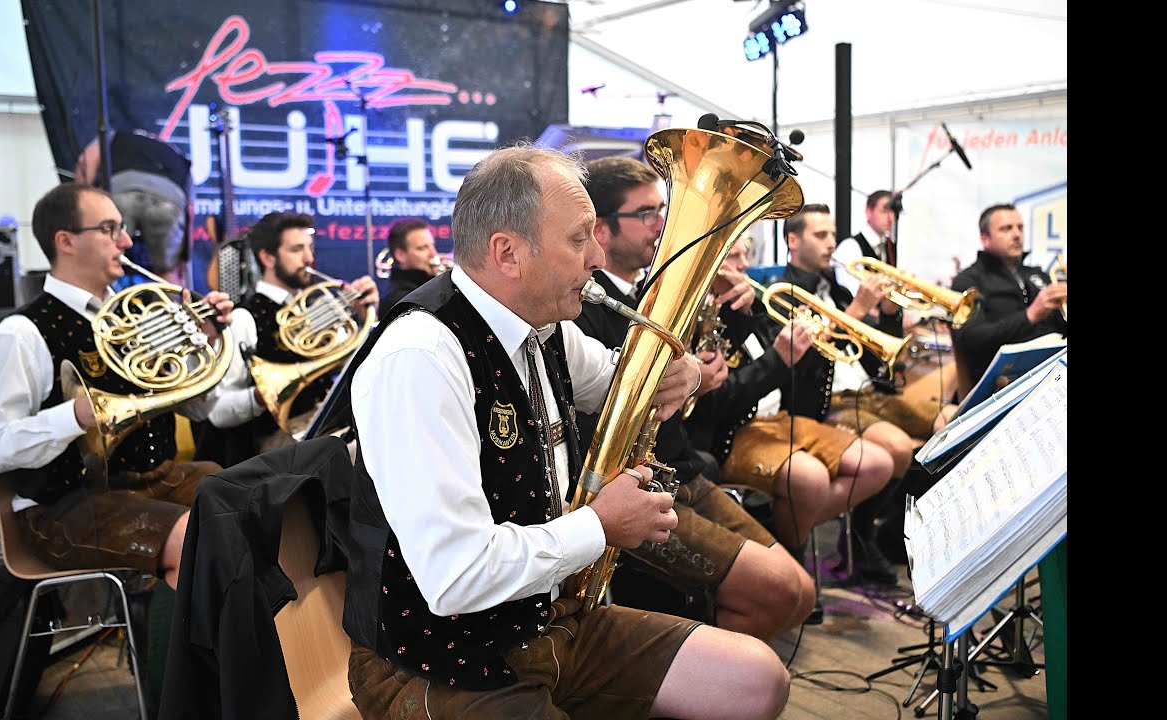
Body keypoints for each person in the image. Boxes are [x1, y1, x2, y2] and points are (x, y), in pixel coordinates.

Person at [338, 144, 790, 720]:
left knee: (757, 681)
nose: (597, 256)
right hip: (435, 659)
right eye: (579, 239)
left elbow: (620, 382)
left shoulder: (543, 324)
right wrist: (600, 525)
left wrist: (682, 375)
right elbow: (456, 576)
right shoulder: (421, 356)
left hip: (549, 621)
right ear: (508, 253)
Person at [576, 155, 813, 639]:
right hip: (633, 489)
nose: (661, 225)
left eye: (661, 210)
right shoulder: (584, 305)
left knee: (801, 591)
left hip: (680, 471)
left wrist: (740, 318)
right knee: (778, 592)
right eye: (646, 213)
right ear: (601, 229)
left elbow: (708, 393)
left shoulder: (651, 292)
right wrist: (688, 380)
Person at [0, 182, 242, 590]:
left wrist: (206, 341)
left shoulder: (136, 314)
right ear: (66, 241)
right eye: (109, 229)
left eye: (122, 228)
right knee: (196, 538)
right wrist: (73, 416)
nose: (126, 242)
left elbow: (199, 409)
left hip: (152, 481)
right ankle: (179, 632)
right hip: (63, 505)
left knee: (248, 505)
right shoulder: (22, 332)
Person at [772, 203, 954, 584]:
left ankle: (895, 529)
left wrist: (887, 311)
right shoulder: (784, 292)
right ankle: (861, 533)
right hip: (830, 403)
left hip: (869, 391)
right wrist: (855, 311)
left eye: (832, 234)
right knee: (899, 448)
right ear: (792, 241)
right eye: (820, 235)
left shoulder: (835, 290)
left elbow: (877, 356)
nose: (831, 243)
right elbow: (800, 367)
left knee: (952, 423)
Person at [690, 235, 895, 570]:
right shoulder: (703, 317)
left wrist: (806, 343)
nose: (744, 265)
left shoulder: (753, 306)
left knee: (876, 464)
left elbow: (791, 374)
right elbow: (719, 402)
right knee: (811, 480)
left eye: (746, 255)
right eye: (734, 256)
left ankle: (782, 536)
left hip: (782, 418)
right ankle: (791, 558)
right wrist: (781, 358)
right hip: (736, 432)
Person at [191, 211, 379, 469]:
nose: (309, 258)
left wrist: (365, 316)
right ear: (267, 257)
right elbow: (218, 413)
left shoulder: (313, 307)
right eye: (296, 249)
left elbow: (359, 367)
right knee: (371, 451)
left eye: (310, 248)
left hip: (321, 430)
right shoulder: (243, 319)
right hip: (274, 446)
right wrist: (261, 396)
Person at [950, 202, 1067, 388]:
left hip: (1054, 372)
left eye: (1020, 227)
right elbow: (973, 339)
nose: (1017, 234)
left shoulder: (1037, 274)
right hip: (1004, 384)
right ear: (985, 239)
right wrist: (1030, 315)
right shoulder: (968, 281)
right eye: (1006, 229)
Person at [75, 128, 194, 285]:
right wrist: (182, 259)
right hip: (169, 200)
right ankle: (170, 299)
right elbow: (190, 211)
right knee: (166, 273)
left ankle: (100, 299)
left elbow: (86, 162)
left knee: (106, 262)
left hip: (122, 192)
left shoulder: (116, 136)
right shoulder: (177, 155)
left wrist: (82, 201)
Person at [833, 189, 896, 295]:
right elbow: (851, 294)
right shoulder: (850, 247)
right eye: (884, 211)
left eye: (893, 211)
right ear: (868, 211)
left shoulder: (890, 246)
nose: (890, 218)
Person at [379, 218, 442, 315]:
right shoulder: (400, 301)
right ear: (400, 255)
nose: (434, 254)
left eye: (433, 246)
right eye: (422, 248)